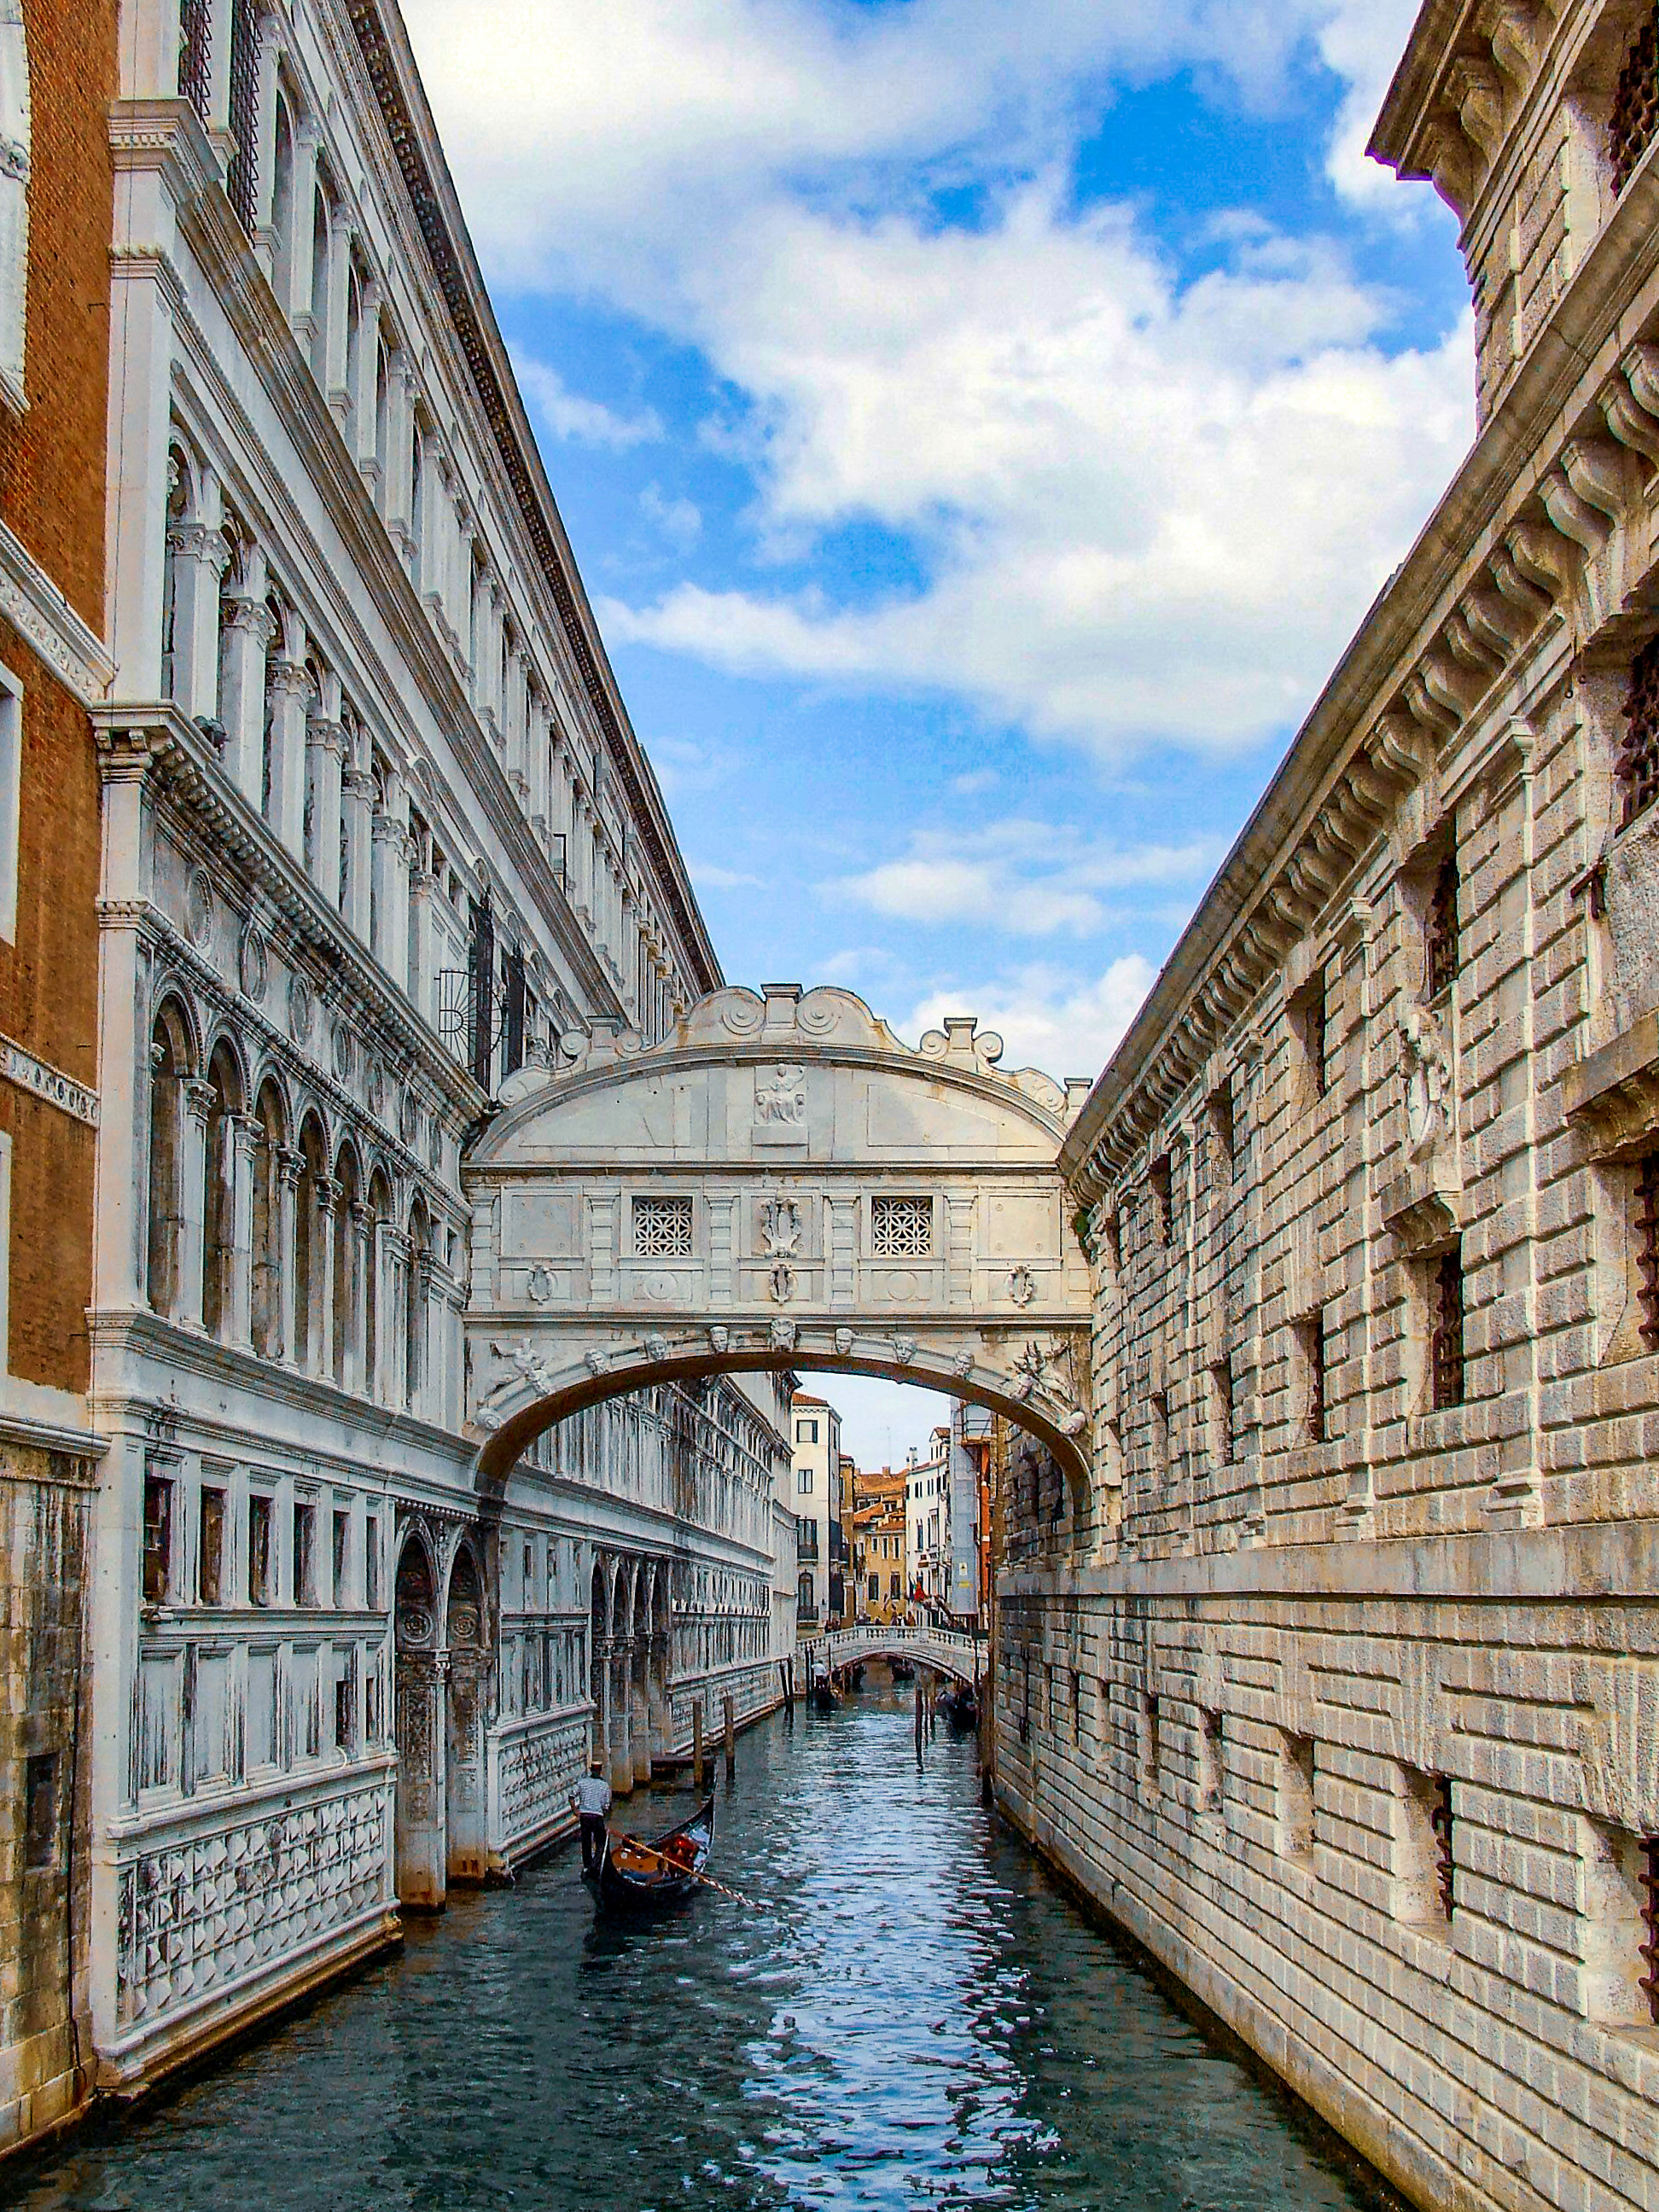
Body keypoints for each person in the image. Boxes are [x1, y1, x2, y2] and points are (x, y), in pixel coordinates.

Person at [573, 1756, 612, 1874]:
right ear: (600, 1770)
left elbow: (571, 1796)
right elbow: (606, 1806)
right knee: (601, 1842)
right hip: (597, 1816)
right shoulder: (604, 1785)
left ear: (590, 1770)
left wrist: (575, 1810)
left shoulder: (582, 1782)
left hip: (584, 1816)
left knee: (586, 1842)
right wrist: (604, 1814)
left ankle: (587, 1866)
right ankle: (595, 1865)